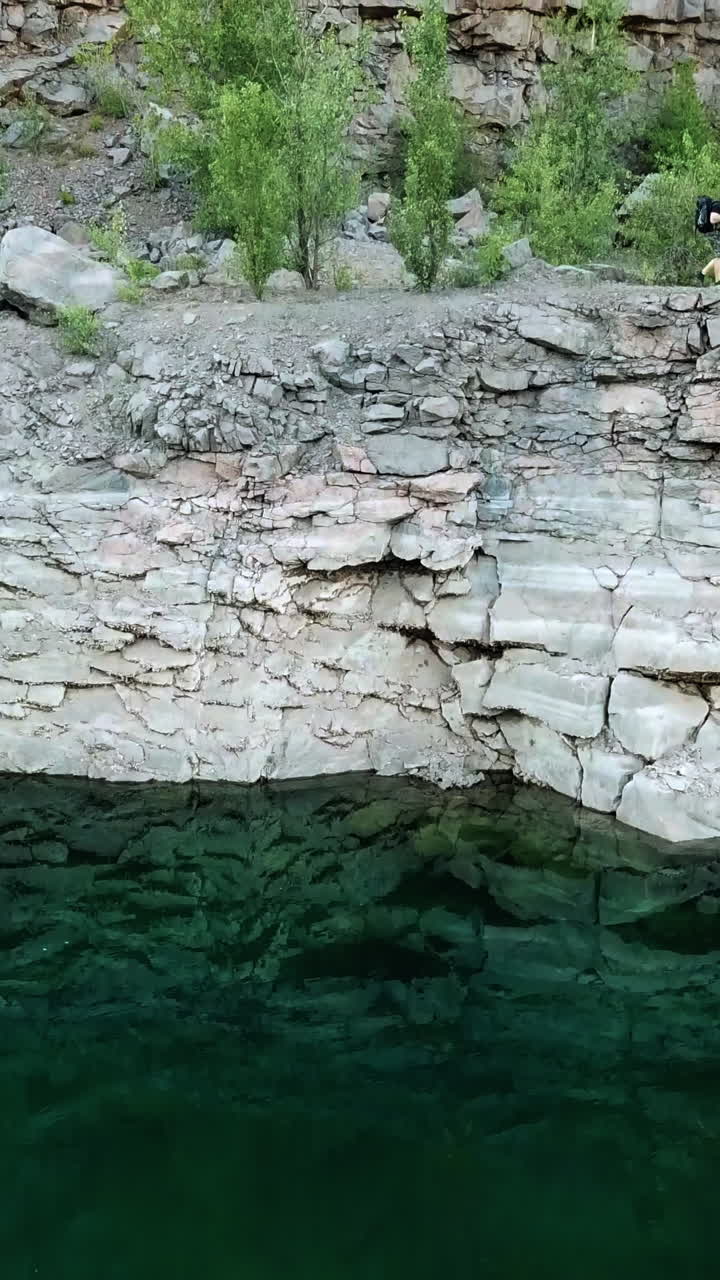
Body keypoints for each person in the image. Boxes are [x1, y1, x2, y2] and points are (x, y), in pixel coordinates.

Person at [701, 207, 720, 284]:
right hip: (713, 232)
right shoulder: (717, 205)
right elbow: (713, 219)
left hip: (715, 233)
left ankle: (702, 274)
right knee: (719, 256)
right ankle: (718, 281)